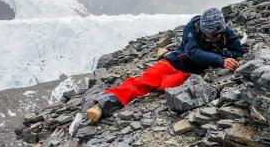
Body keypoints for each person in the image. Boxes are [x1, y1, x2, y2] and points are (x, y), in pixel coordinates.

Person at [86, 8, 247, 122]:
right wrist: (220, 60)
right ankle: (102, 104)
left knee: (165, 87)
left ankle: (159, 86)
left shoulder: (224, 30)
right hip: (172, 63)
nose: (217, 37)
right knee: (143, 83)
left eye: (220, 33)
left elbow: (237, 50)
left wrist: (225, 56)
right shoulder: (191, 28)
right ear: (204, 30)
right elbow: (193, 53)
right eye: (213, 34)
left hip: (190, 74)